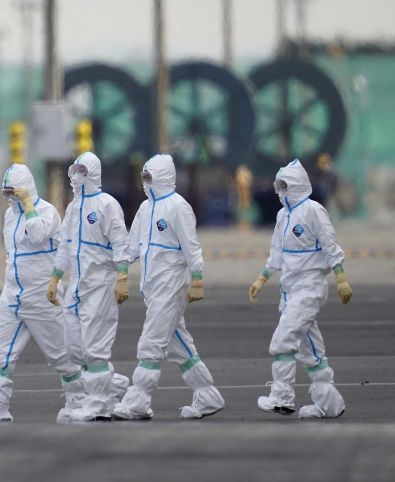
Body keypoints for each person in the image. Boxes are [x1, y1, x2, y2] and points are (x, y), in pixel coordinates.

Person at [0, 164, 85, 424]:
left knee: (61, 354)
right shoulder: (9, 217)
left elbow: (38, 234)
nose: (10, 197)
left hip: (42, 297)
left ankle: (81, 399)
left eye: (14, 191)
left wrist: (29, 204)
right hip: (12, 295)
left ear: (26, 189)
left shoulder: (47, 212)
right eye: (6, 192)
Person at [112, 154, 225, 421]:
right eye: (143, 177)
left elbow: (192, 247)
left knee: (150, 343)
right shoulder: (145, 208)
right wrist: (118, 272)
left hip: (172, 284)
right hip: (152, 286)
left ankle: (138, 400)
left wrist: (197, 280)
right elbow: (131, 247)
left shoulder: (178, 207)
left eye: (149, 177)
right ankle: (208, 394)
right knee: (178, 345)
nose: (145, 182)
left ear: (162, 177)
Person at [249, 158, 351, 419]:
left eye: (285, 185)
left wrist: (341, 279)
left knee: (283, 342)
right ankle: (328, 403)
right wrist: (262, 279)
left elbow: (330, 245)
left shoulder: (313, 210)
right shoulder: (283, 215)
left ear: (296, 185)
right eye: (278, 185)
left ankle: (282, 397)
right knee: (310, 349)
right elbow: (276, 251)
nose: (280, 191)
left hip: (310, 287)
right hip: (290, 290)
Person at [48, 151, 130, 422]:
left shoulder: (107, 205)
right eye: (74, 170)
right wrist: (55, 277)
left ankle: (99, 403)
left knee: (95, 346)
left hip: (101, 285)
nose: (76, 176)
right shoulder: (74, 207)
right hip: (77, 286)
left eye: (82, 171)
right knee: (74, 347)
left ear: (92, 173)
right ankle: (109, 384)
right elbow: (65, 245)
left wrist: (122, 278)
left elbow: (120, 242)